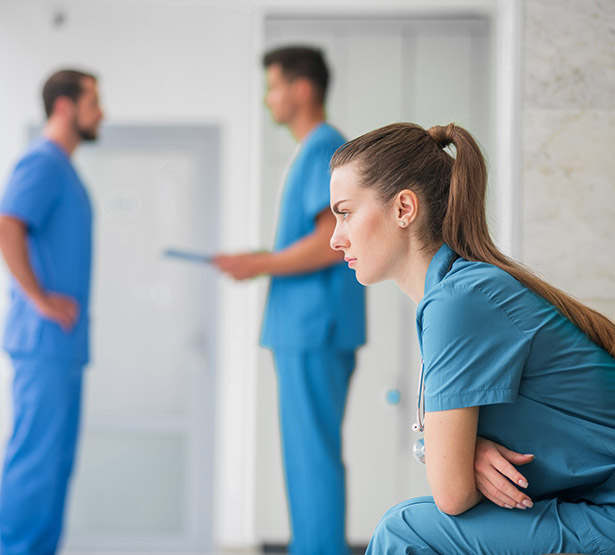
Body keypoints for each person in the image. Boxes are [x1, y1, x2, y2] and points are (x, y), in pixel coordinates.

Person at [328, 122, 615, 554]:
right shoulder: (460, 292)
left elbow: (452, 494)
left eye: (345, 212)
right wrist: (460, 451)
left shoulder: (460, 302)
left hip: (604, 514)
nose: (335, 238)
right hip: (589, 505)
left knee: (403, 532)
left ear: (404, 208)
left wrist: (452, 453)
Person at [215, 47, 365, 554]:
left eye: (273, 85)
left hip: (312, 327)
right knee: (308, 456)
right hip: (309, 327)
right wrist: (258, 258)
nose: (267, 98)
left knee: (311, 457)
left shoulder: (326, 149)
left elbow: (330, 239)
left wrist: (258, 264)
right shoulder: (317, 151)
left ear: (301, 90)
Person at [0, 69, 103, 554]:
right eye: (93, 102)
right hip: (43, 343)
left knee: (55, 467)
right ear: (65, 106)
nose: (101, 112)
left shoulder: (62, 167)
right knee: (35, 466)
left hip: (61, 347)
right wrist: (39, 299)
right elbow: (7, 225)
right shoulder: (42, 162)